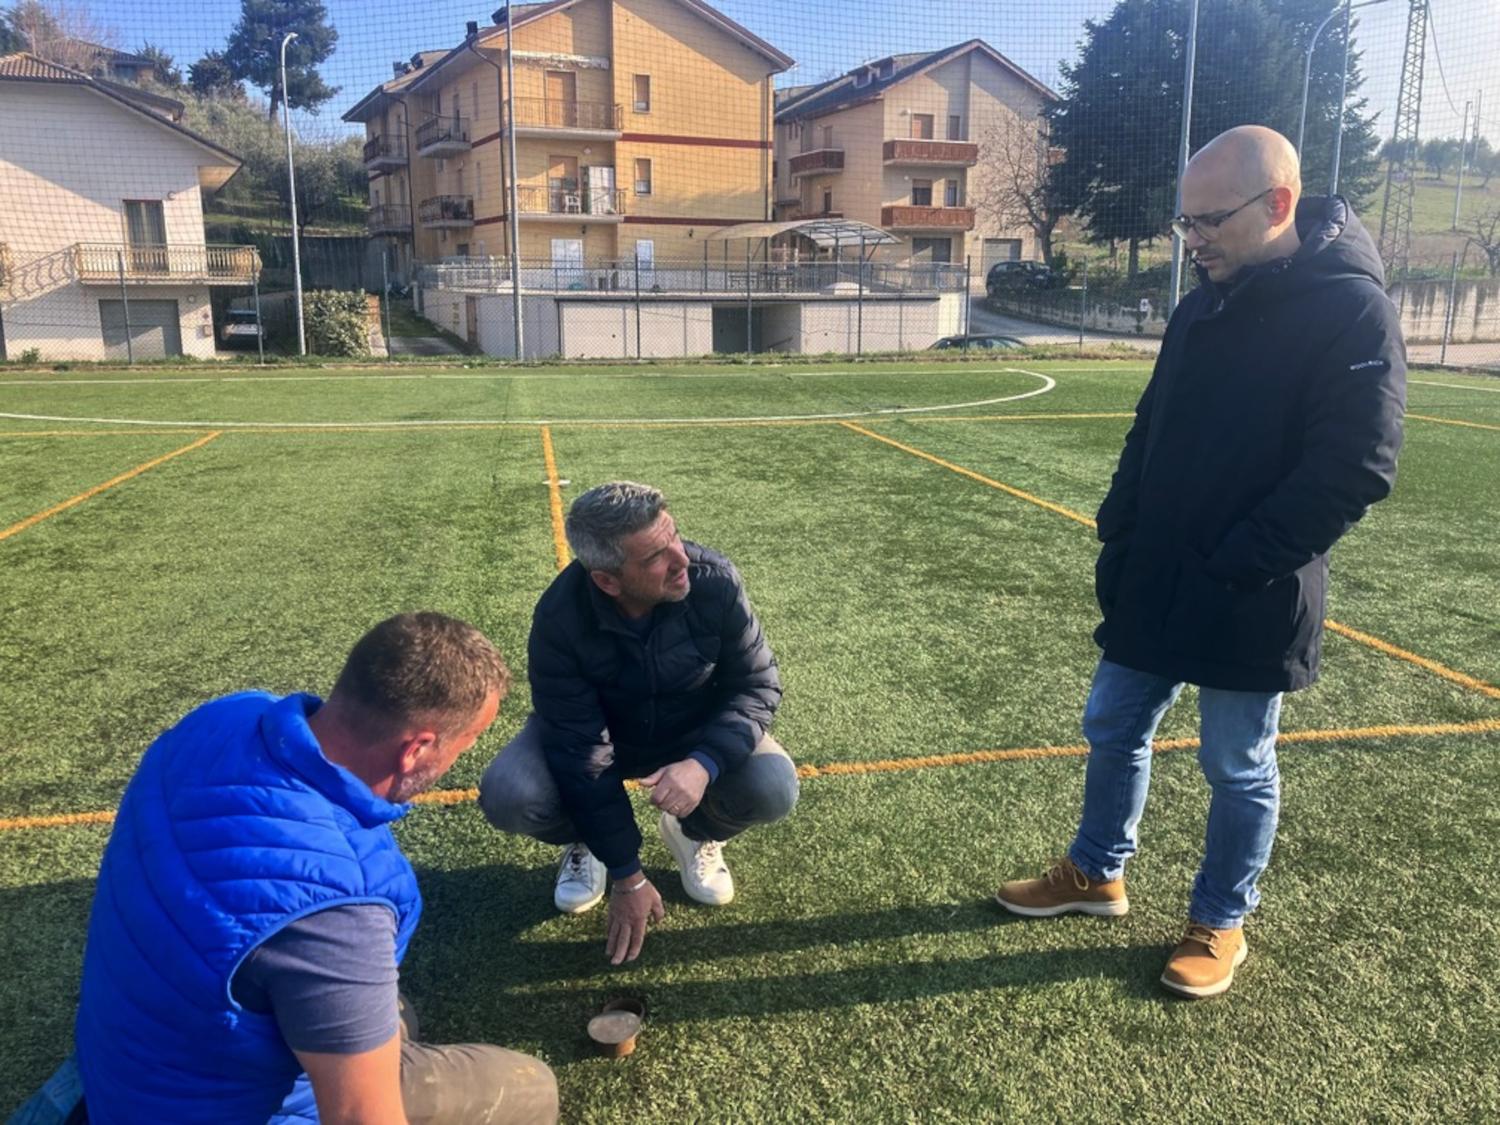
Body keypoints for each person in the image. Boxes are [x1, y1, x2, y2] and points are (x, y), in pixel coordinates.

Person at [995, 126, 1406, 999]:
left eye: (1209, 220)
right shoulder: (1204, 298)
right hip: (1157, 574)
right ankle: (1096, 872)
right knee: (1112, 723)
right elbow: (1154, 420)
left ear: (1279, 205)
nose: (1194, 241)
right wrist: (1120, 518)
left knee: (1236, 763)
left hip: (1252, 589)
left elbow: (1356, 467)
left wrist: (1237, 561)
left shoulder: (1351, 308)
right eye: (1186, 223)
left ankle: (1220, 918)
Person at [52, 612, 558, 1124]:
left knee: (393, 1015)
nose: (464, 753)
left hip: (131, 1071)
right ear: (417, 749)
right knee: (530, 1088)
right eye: (467, 741)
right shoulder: (339, 909)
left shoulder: (226, 716)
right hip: (226, 1107)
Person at [480, 481, 797, 965]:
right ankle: (586, 841)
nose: (680, 559)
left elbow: (757, 685)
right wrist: (628, 874)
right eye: (655, 556)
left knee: (774, 785)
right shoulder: (559, 618)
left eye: (674, 536)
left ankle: (692, 833)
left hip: (693, 732)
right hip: (602, 739)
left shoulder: (715, 580)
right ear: (608, 580)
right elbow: (582, 750)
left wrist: (703, 763)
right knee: (509, 793)